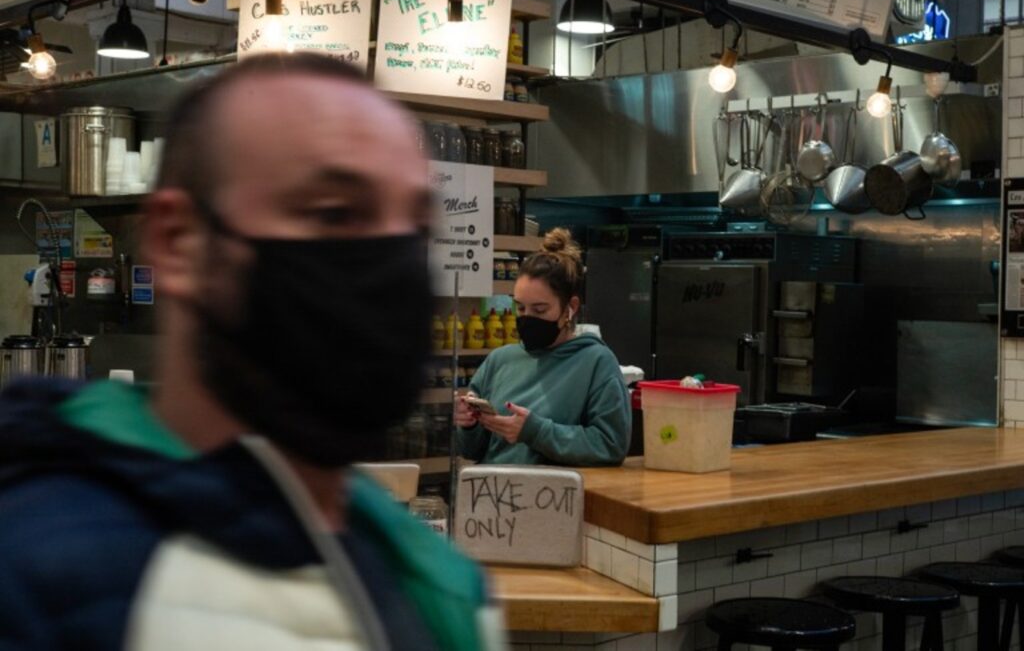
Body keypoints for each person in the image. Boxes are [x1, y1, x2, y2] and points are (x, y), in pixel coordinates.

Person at [0, 54, 503, 650]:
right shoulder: (39, 574)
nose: (393, 260)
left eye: (416, 229)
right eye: (335, 212)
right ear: (180, 242)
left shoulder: (436, 582)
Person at [455, 229, 630, 466]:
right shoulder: (500, 361)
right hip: (492, 493)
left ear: (571, 307)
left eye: (539, 310)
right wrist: (469, 424)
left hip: (552, 497)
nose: (527, 319)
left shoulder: (596, 363)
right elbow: (471, 450)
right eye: (520, 308)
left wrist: (535, 432)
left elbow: (610, 445)